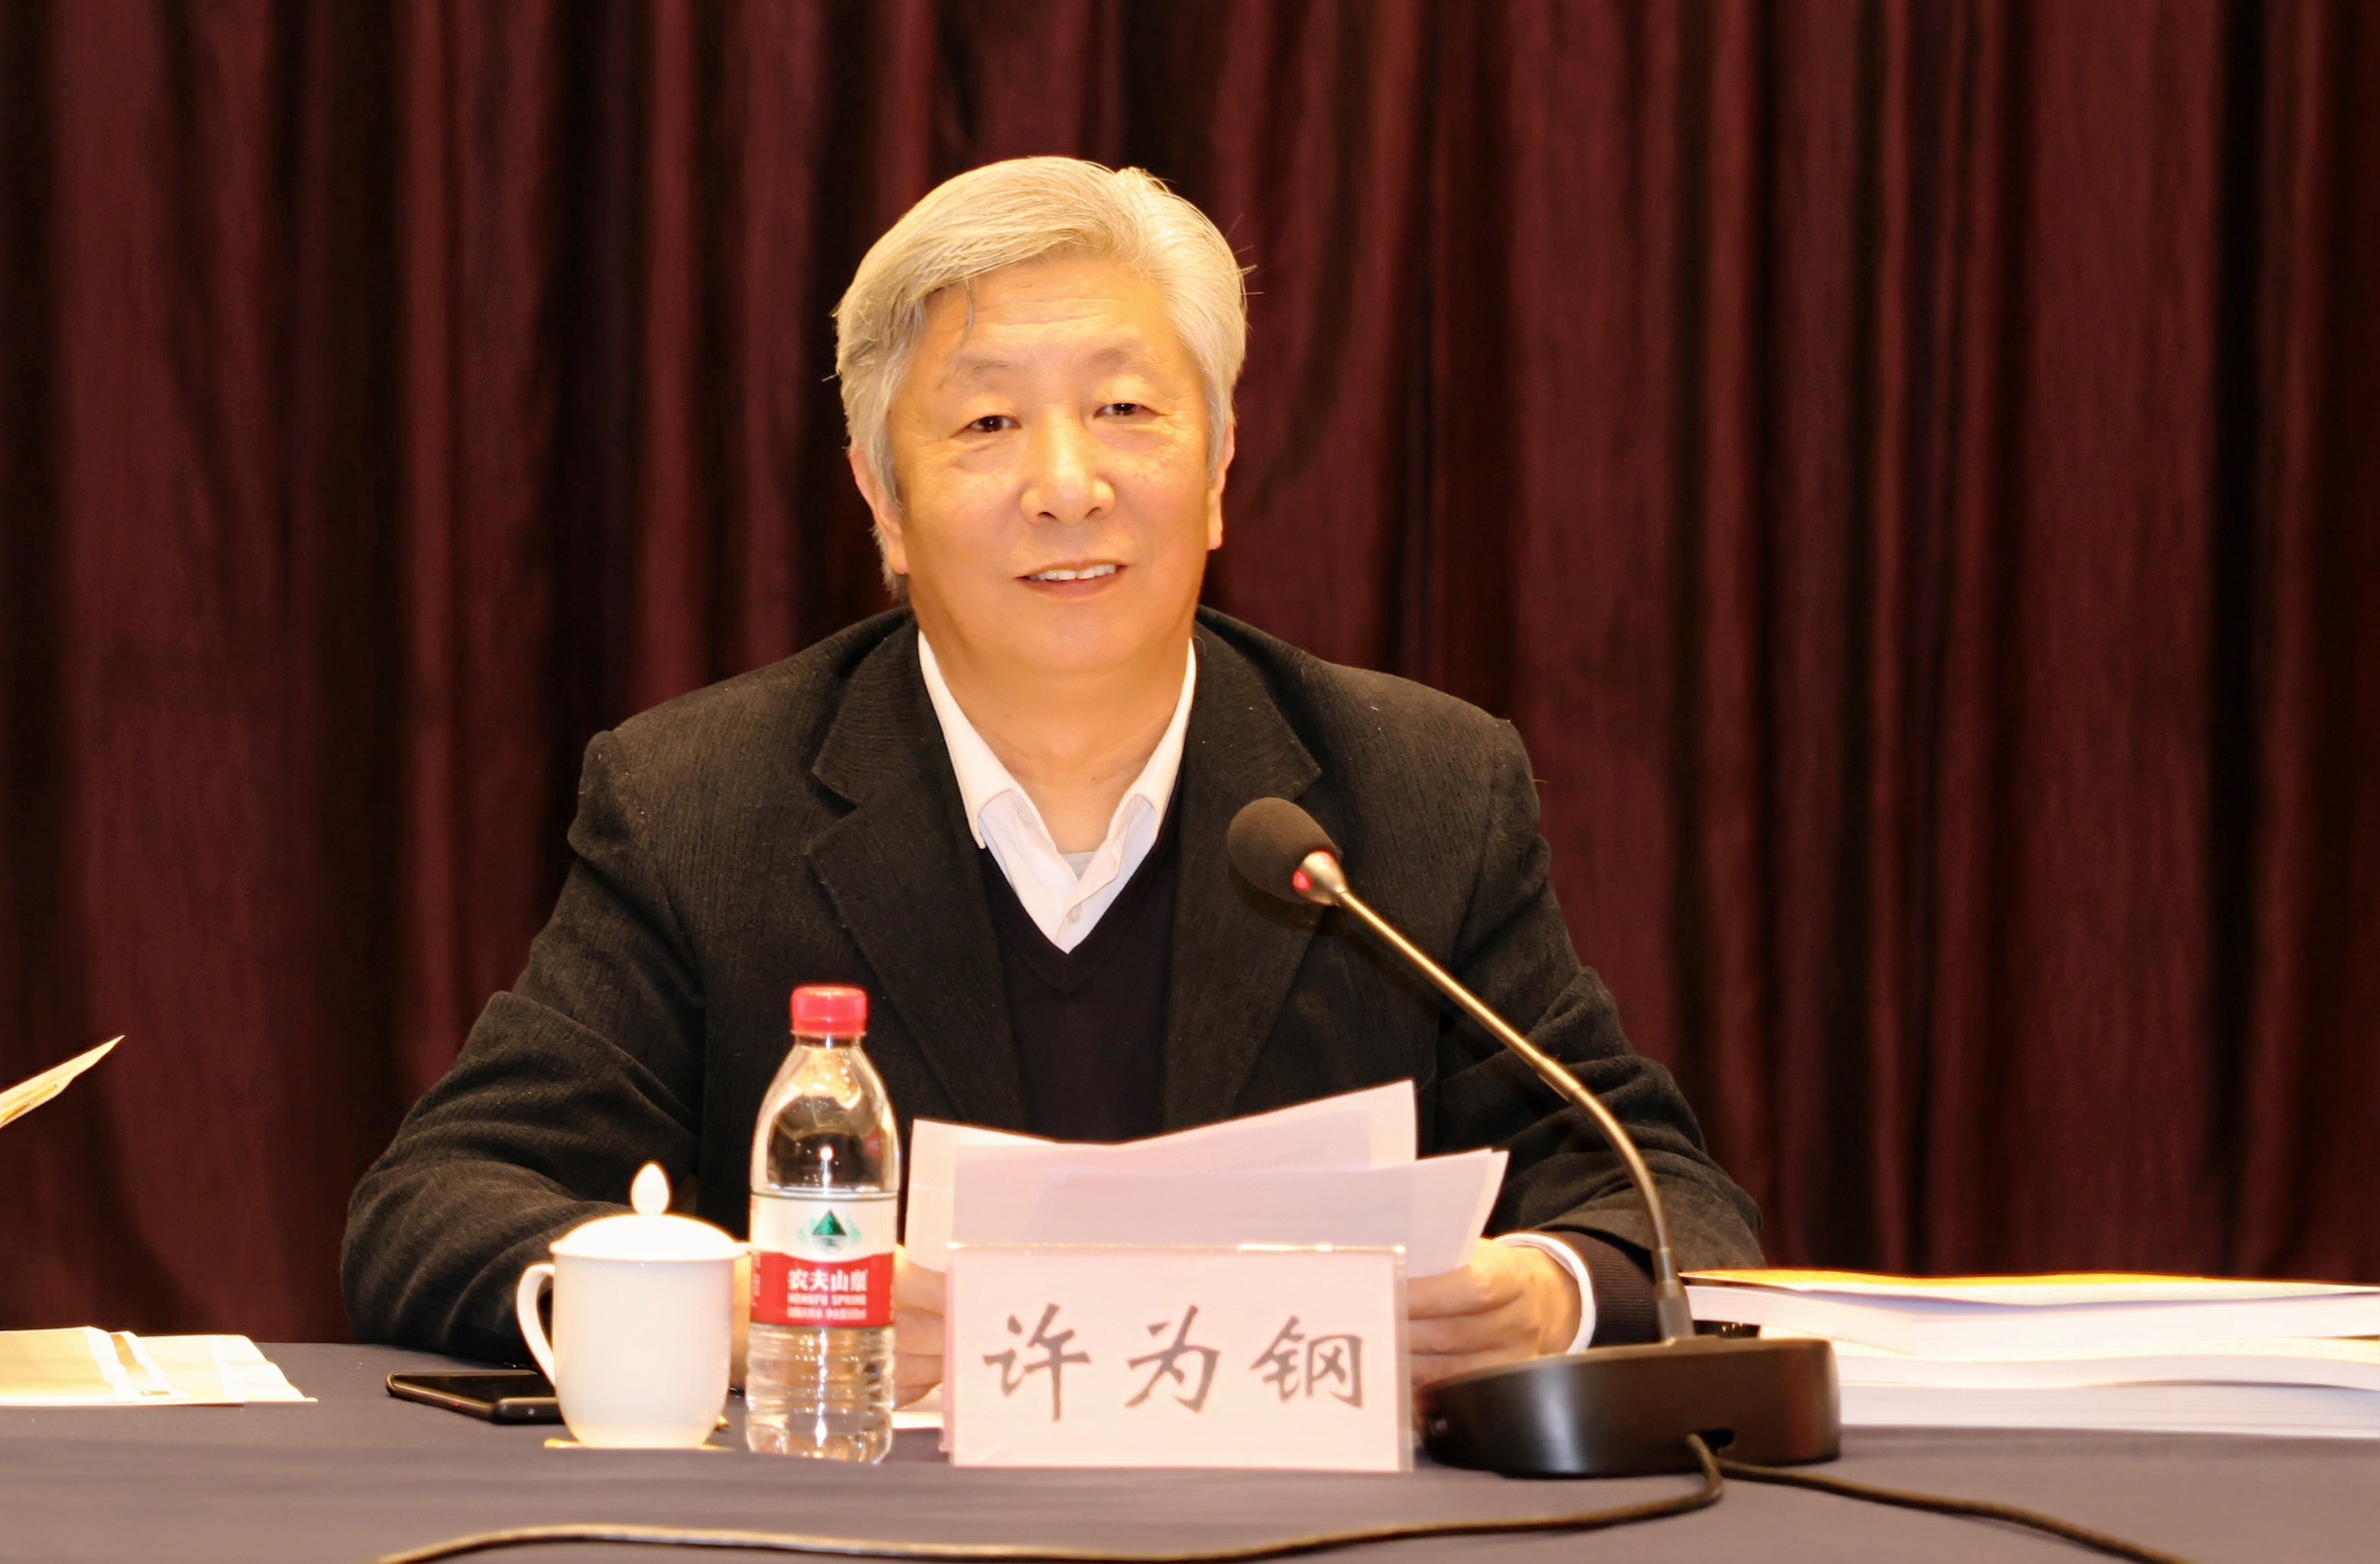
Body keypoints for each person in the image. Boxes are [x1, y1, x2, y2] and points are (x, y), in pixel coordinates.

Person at [344, 158, 1762, 1397]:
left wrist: (1546, 1295)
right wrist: (719, 1301)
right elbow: (434, 1204)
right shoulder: (705, 801)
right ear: (883, 501)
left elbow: (1666, 1201)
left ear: (1219, 465)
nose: (1068, 484)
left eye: (1127, 408)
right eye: (985, 426)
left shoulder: (1417, 790)